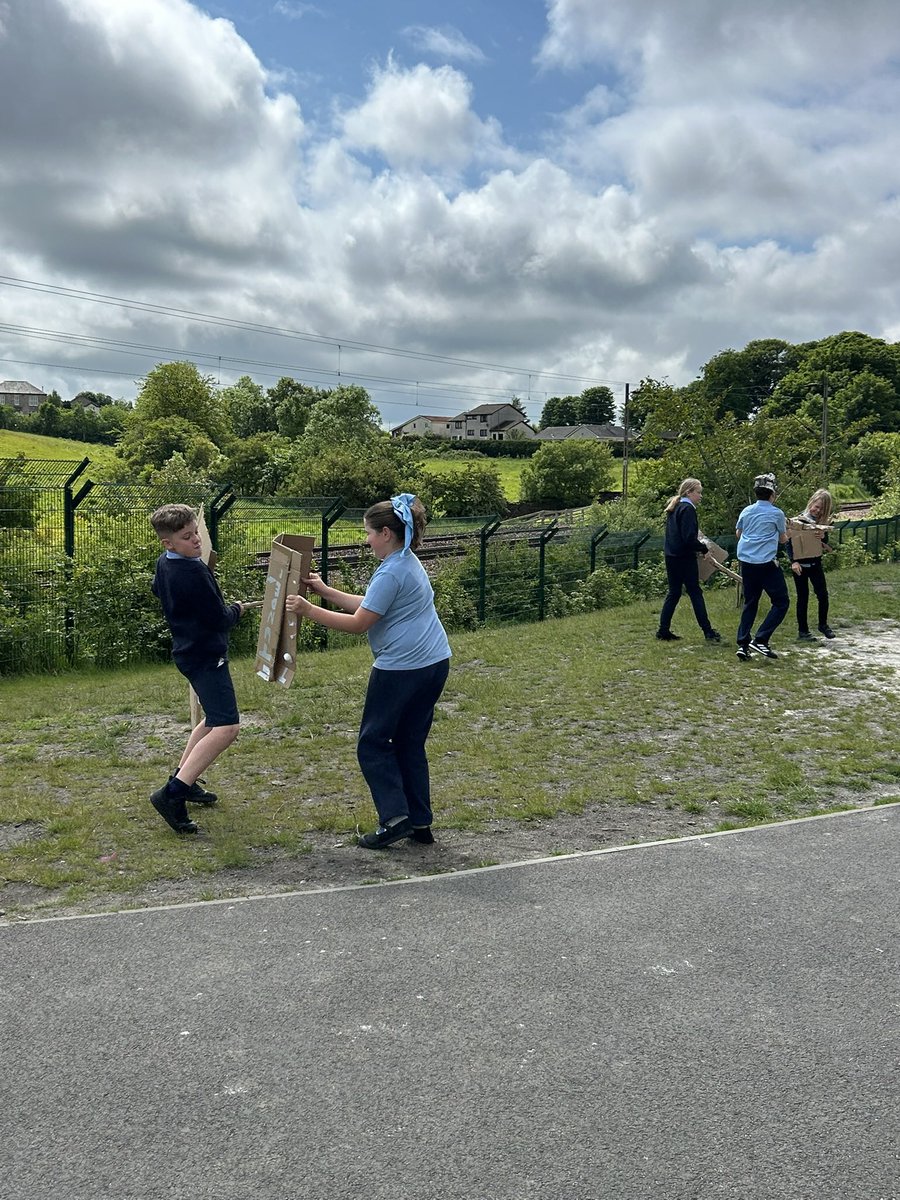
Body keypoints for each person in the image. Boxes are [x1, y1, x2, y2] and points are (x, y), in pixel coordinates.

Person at [285, 494, 451, 850]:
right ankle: (420, 823)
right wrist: (325, 592)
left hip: (402, 669)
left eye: (369, 533)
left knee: (373, 744)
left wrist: (306, 609)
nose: (367, 539)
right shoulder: (407, 561)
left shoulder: (391, 570)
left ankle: (395, 819)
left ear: (387, 533)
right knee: (409, 743)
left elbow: (360, 623)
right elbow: (374, 604)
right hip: (434, 662)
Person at [149, 504, 245, 834]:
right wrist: (237, 609)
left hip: (188, 653)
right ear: (168, 543)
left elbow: (155, 588)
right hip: (205, 656)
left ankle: (184, 780)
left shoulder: (167, 564)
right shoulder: (193, 572)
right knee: (228, 726)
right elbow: (219, 618)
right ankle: (172, 794)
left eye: (195, 534)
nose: (196, 542)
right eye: (187, 537)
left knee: (212, 720)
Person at [655, 478, 721, 643]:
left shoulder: (675, 507)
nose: (700, 496)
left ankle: (663, 630)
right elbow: (689, 538)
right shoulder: (687, 509)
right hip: (684, 557)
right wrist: (704, 549)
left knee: (674, 592)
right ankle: (708, 631)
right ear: (689, 492)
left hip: (671, 555)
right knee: (695, 593)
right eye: (698, 493)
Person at [735, 473, 789, 661]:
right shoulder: (777, 513)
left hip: (747, 562)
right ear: (773, 495)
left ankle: (743, 644)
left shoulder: (747, 511)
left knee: (751, 602)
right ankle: (761, 639)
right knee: (781, 601)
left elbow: (738, 533)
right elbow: (783, 539)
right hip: (766, 563)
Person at [788, 488, 836, 641]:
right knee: (803, 597)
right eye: (816, 506)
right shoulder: (798, 521)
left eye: (822, 509)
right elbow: (789, 543)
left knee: (823, 595)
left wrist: (822, 536)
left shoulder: (822, 524)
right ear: (811, 503)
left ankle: (823, 625)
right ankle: (803, 631)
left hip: (815, 563)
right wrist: (793, 561)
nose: (817, 511)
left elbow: (825, 544)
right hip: (800, 565)